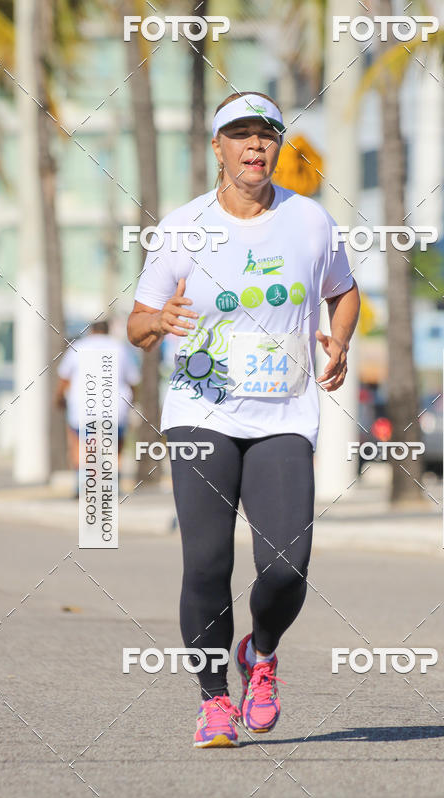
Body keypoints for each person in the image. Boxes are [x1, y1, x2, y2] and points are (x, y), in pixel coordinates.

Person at [127, 91, 360, 748]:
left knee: (287, 565)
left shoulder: (310, 222)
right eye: (240, 134)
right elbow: (137, 322)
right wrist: (158, 322)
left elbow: (343, 292)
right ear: (217, 147)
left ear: (277, 147)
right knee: (204, 564)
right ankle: (212, 702)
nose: (254, 146)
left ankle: (261, 651)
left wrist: (339, 341)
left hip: (285, 414)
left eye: (266, 135)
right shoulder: (182, 227)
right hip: (200, 413)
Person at [56, 320, 140, 495]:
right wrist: (133, 401)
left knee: (79, 444)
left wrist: (59, 400)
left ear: (91, 332)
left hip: (83, 408)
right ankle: (113, 484)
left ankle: (81, 484)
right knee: (115, 446)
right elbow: (133, 380)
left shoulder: (78, 347)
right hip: (115, 407)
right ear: (108, 331)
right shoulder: (120, 348)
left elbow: (64, 378)